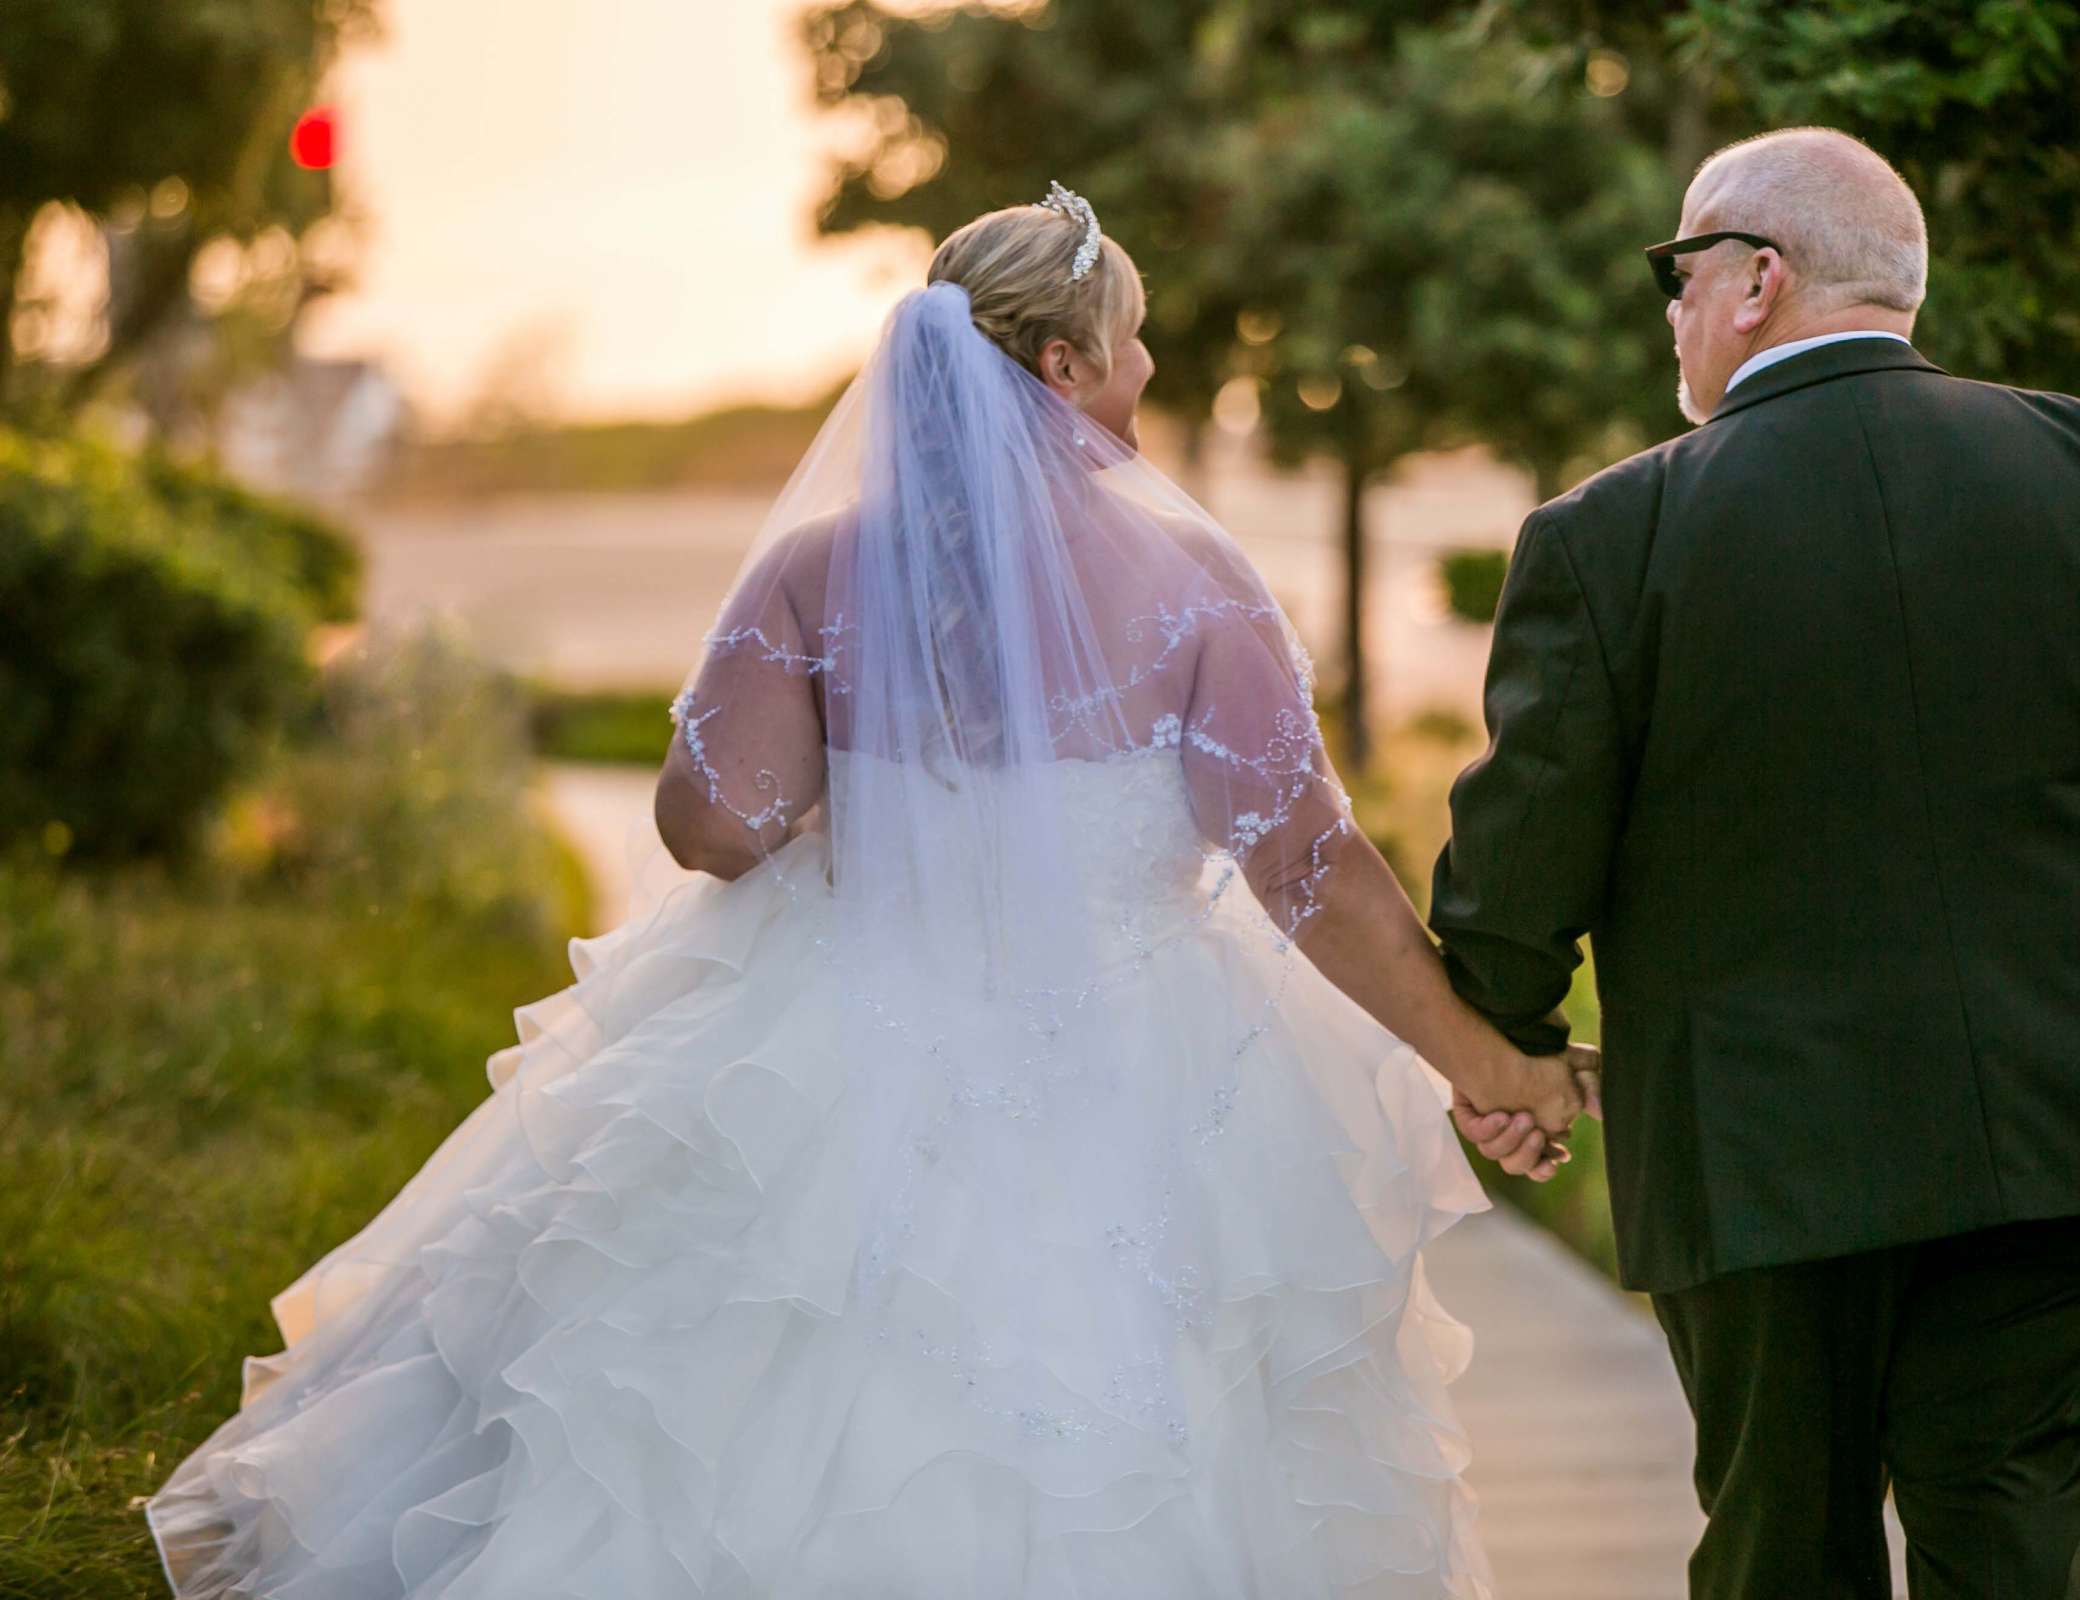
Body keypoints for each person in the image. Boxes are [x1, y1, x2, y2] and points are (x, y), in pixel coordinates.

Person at [142, 184, 1590, 1600]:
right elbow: (1308, 866)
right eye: (1134, 335)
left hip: (837, 1045)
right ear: (1065, 364)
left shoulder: (819, 570)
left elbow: (713, 825)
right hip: (1137, 1072)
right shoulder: (1200, 583)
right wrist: (1490, 1061)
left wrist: (889, 775)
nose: (1152, 366)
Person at [1436, 127, 2080, 1600]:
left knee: (1784, 1548)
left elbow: (1523, 857)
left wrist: (1500, 1046)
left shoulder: (1606, 538)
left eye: (1680, 270)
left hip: (1764, 1148)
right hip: (2068, 1119)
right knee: (2017, 1546)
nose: (1670, 308)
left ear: (1759, 280)